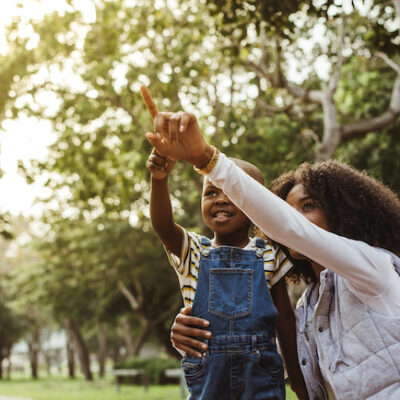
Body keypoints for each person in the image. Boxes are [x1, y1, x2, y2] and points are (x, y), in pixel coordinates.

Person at [143, 89, 400, 400]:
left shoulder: (371, 267)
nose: (293, 221)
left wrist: (205, 158)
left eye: (308, 206)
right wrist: (185, 332)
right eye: (287, 210)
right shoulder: (310, 305)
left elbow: (282, 319)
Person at [146, 144, 298, 398]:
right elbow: (163, 225)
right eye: (211, 192)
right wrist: (159, 179)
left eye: (233, 191)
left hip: (260, 374)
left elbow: (284, 320)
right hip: (208, 377)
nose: (221, 199)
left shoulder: (271, 253)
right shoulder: (191, 250)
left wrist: (297, 378)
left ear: (258, 203)